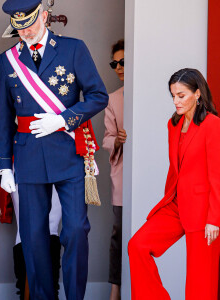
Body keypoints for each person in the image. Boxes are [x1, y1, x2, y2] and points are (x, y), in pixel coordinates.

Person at [0, 0, 109, 299]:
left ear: (44, 17)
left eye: (30, 25)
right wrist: (4, 165)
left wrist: (62, 119)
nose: (26, 33)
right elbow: (4, 117)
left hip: (68, 152)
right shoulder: (8, 60)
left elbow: (98, 95)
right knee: (33, 238)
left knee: (75, 230)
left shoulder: (73, 49)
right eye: (19, 28)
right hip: (28, 156)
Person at [128, 68, 220, 300]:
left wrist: (213, 219)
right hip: (176, 205)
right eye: (173, 95)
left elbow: (218, 175)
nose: (176, 101)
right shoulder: (173, 124)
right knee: (137, 246)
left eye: (181, 95)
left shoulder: (212, 124)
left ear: (197, 94)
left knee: (200, 285)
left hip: (204, 212)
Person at [102, 39, 125, 300]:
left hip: (151, 175)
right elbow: (106, 139)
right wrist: (117, 140)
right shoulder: (112, 99)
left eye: (123, 62)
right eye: (114, 63)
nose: (118, 67)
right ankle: (115, 290)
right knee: (118, 233)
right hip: (122, 176)